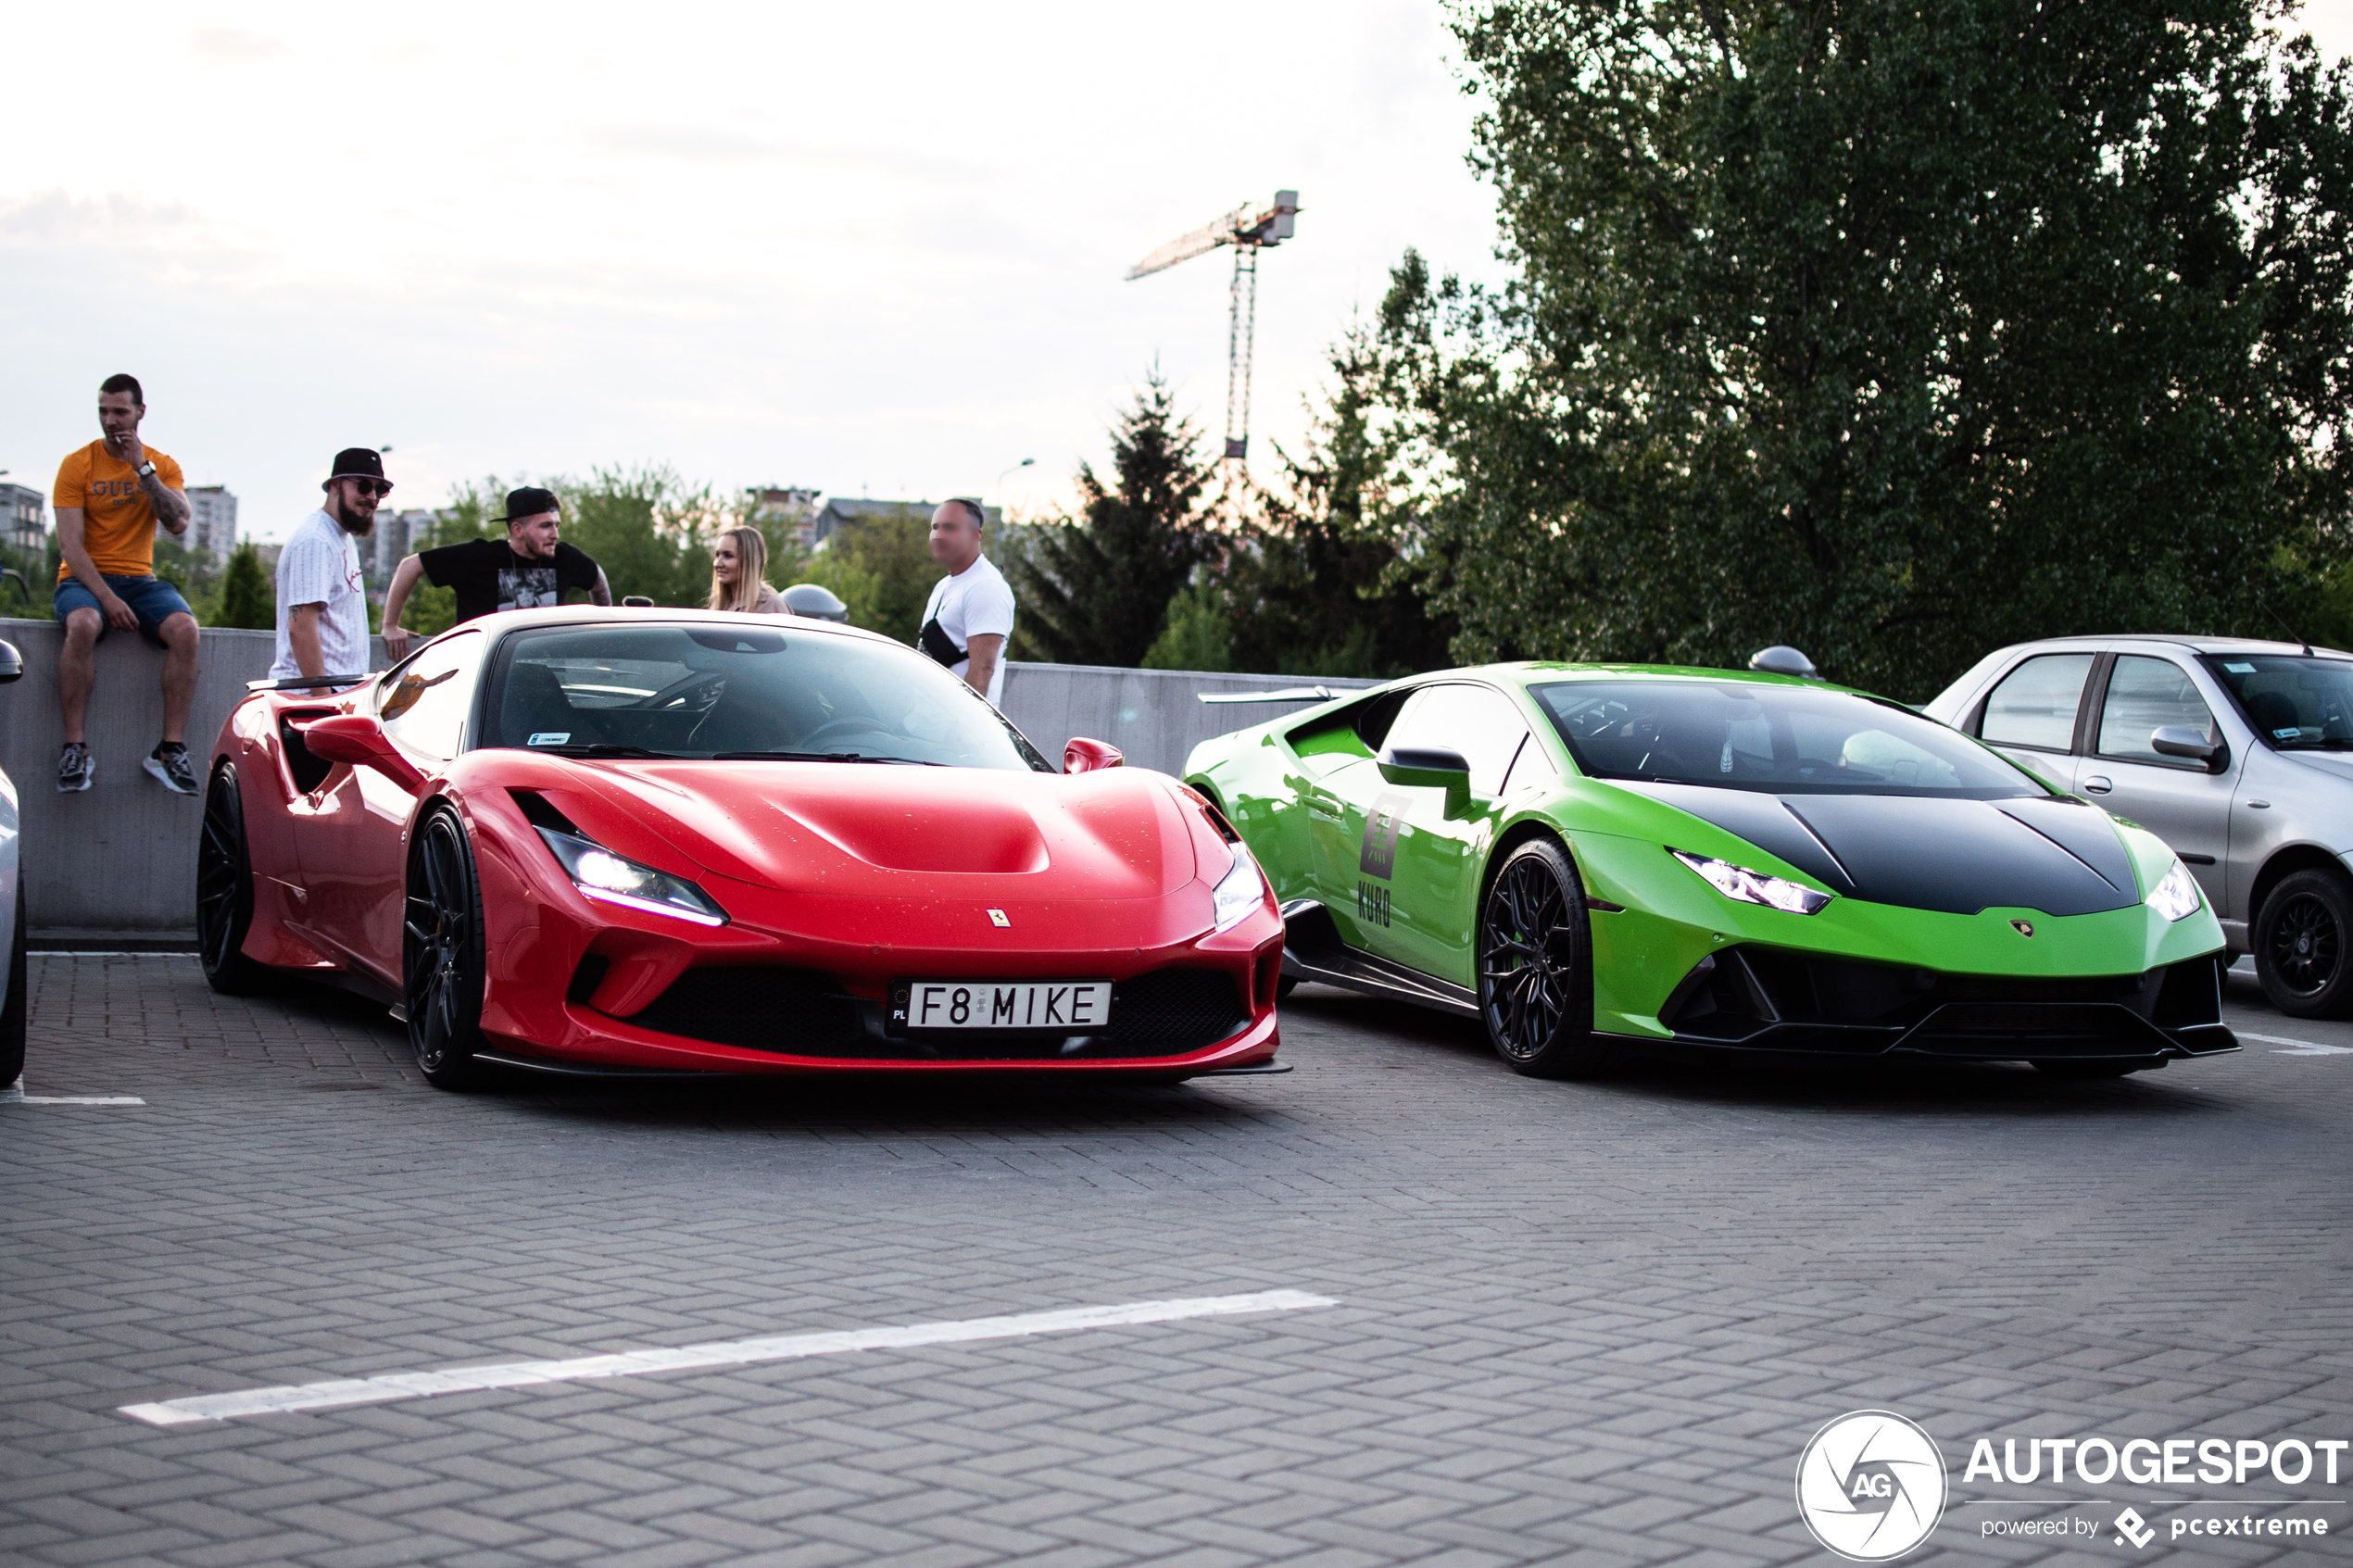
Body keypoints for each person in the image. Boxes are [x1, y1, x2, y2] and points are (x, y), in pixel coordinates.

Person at [51, 373, 200, 794]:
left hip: (141, 580)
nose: (111, 420)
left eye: (120, 411)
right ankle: (75, 748)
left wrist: (141, 468)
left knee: (186, 630)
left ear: (140, 412)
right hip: (84, 580)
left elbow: (178, 522)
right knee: (82, 624)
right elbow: (70, 546)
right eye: (104, 411)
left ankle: (169, 751)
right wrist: (107, 599)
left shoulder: (161, 464)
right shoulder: (76, 464)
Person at [378, 486, 610, 659]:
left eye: (556, 525)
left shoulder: (564, 558)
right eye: (545, 526)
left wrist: (604, 631)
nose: (555, 534)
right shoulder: (480, 557)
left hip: (542, 670)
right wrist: (390, 625)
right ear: (518, 529)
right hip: (482, 673)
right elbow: (410, 565)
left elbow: (597, 578)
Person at [271, 449, 384, 688]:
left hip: (337, 693)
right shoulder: (316, 540)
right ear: (335, 485)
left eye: (380, 490)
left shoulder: (341, 537)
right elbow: (301, 628)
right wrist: (324, 698)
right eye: (364, 486)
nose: (372, 497)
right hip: (311, 699)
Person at [919, 497, 1014, 705]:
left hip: (955, 729)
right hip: (925, 720)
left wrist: (959, 729)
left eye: (950, 528)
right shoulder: (944, 585)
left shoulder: (986, 587)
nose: (938, 535)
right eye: (935, 527)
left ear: (975, 534)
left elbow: (983, 669)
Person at [708, 526, 789, 613]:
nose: (717, 564)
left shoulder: (772, 605)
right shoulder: (718, 605)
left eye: (728, 556)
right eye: (717, 555)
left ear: (749, 561)